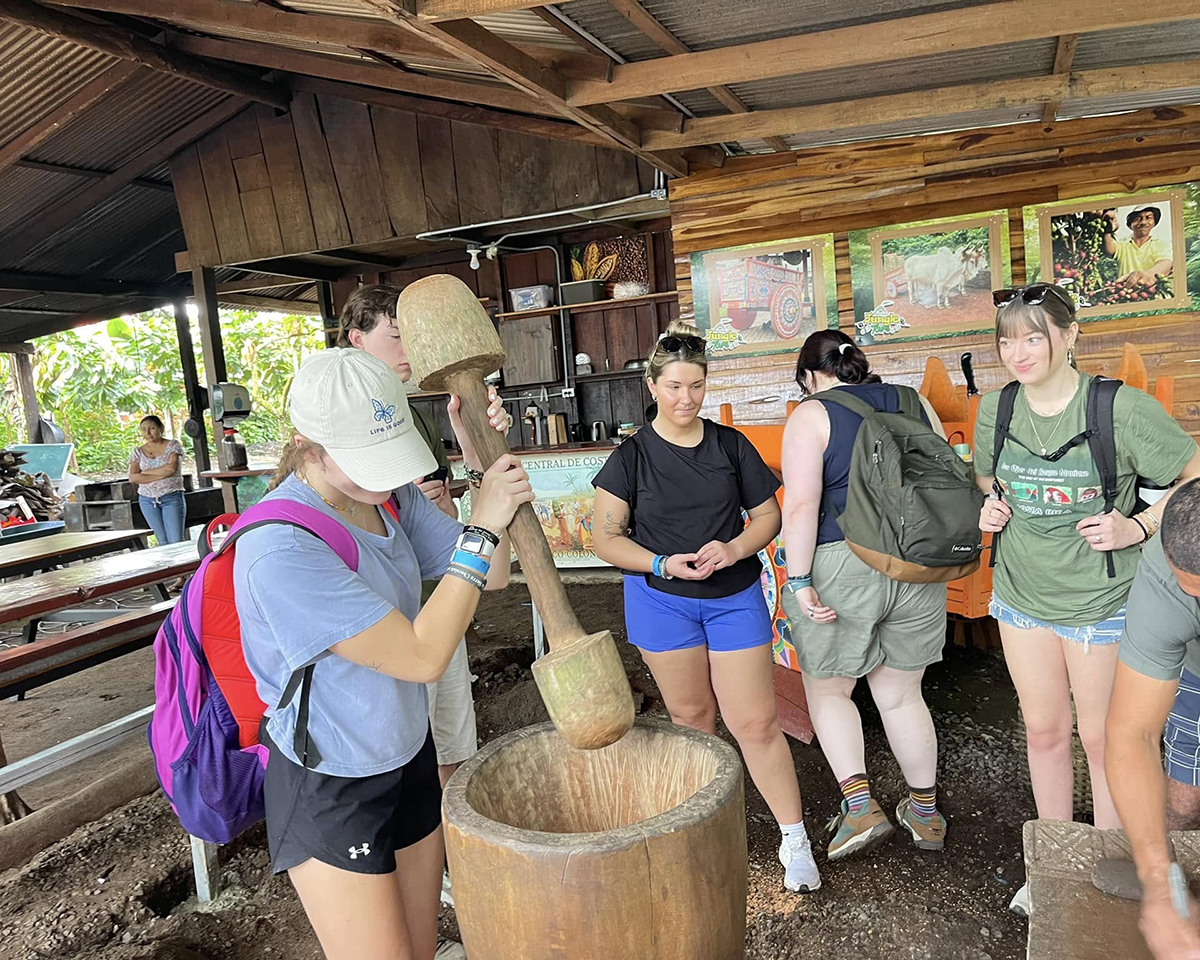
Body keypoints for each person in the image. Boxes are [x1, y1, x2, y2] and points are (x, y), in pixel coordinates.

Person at [236, 347, 532, 960]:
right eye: (363, 460)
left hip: (406, 751)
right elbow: (423, 656)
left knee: (419, 950)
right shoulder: (280, 547)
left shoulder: (389, 497)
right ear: (307, 446)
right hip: (332, 780)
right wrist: (481, 528)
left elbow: (494, 573)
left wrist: (482, 467)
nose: (381, 475)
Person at [974, 282, 1200, 915]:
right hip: (1021, 595)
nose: (1018, 352)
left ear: (1070, 337)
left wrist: (1139, 525)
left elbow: (1194, 473)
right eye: (1006, 339)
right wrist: (989, 510)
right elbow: (991, 482)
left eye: (1034, 336)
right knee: (1044, 732)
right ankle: (1050, 861)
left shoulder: (1118, 409)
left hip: (1102, 601)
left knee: (1105, 741)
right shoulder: (997, 408)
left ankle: (1104, 864)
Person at [590, 321, 821, 894]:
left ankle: (794, 839)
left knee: (756, 723)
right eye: (673, 386)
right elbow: (605, 537)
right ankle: (703, 837)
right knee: (692, 723)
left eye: (695, 386)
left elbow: (768, 515)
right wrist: (663, 563)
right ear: (652, 385)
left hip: (732, 596)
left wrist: (735, 547)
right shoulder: (631, 457)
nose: (685, 398)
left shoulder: (729, 446)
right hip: (660, 601)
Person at [779, 329, 950, 864]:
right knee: (902, 694)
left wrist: (799, 580)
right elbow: (942, 475)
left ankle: (860, 809)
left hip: (841, 563)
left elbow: (802, 506)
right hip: (918, 564)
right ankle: (924, 812)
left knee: (830, 692)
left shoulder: (811, 415)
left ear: (811, 375)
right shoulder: (914, 400)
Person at [337, 284, 513, 789]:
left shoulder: (408, 409)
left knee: (451, 746)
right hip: (380, 634)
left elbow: (491, 567)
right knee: (404, 766)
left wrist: (477, 442)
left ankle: (447, 860)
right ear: (356, 339)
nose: (408, 350)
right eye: (396, 335)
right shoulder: (297, 524)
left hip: (433, 600)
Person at [1106, 480, 1200, 960]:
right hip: (1197, 672)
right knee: (1182, 804)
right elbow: (1131, 734)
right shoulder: (1168, 576)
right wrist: (1160, 883)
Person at [129, 415, 187, 545]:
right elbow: (133, 477)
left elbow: (172, 469)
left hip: (171, 496)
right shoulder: (138, 451)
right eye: (144, 429)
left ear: (160, 428)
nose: (148, 432)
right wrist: (162, 474)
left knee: (176, 541)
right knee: (162, 541)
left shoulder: (173, 445)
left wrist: (145, 473)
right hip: (147, 499)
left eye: (152, 428)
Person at [1102, 206, 1173, 287]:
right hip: (1125, 295)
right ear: (1130, 225)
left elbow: (1165, 263)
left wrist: (1147, 275)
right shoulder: (1123, 246)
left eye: (1148, 218)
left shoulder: (1160, 245)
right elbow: (1108, 249)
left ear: (1154, 223)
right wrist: (1107, 228)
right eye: (1137, 219)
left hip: (1153, 296)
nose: (1143, 222)